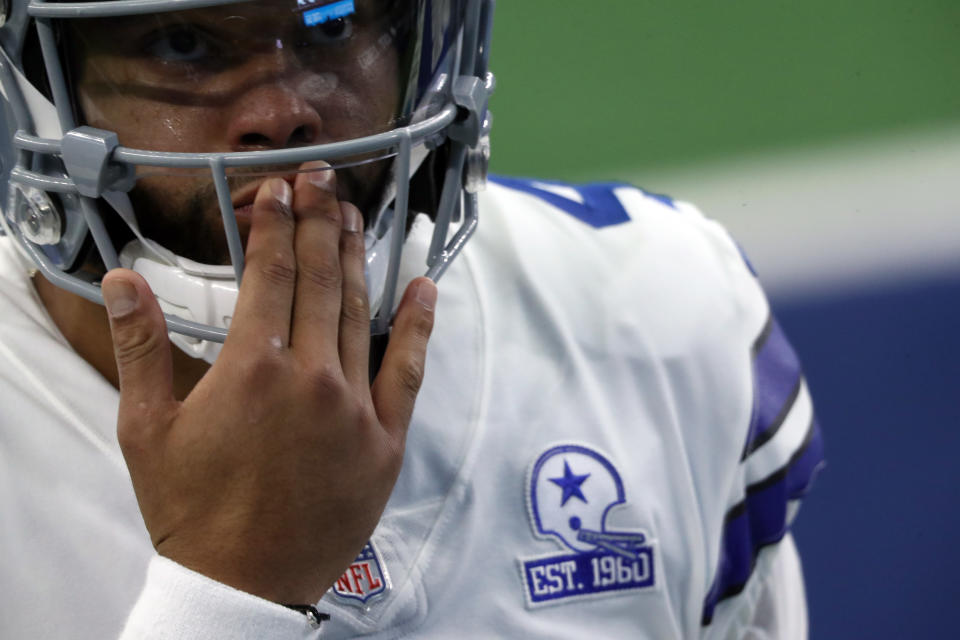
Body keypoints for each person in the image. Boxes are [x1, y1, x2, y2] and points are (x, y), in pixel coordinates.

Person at [0, 0, 824, 637]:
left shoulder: (654, 310)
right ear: (39, 91)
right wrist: (226, 594)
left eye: (336, 19)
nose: (283, 111)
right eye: (181, 42)